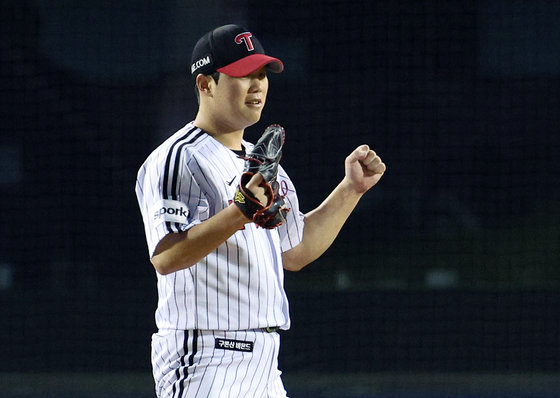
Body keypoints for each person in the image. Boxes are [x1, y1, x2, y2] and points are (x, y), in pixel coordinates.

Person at [135, 24, 386, 398]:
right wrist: (240, 211)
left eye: (261, 74)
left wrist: (351, 190)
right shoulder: (179, 158)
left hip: (266, 363)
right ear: (205, 84)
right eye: (242, 74)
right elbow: (167, 256)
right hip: (205, 357)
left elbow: (295, 251)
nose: (257, 85)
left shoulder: (264, 164)